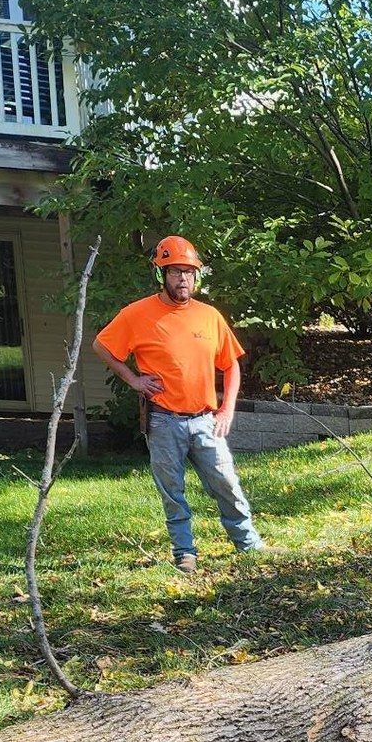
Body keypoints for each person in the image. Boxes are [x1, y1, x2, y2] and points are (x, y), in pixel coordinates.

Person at [94, 236, 264, 572]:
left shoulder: (209, 316)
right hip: (163, 420)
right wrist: (133, 379)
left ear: (196, 275)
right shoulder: (136, 314)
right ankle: (184, 552)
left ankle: (248, 543)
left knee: (226, 483)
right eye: (175, 272)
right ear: (162, 274)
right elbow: (102, 346)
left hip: (205, 420)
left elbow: (231, 365)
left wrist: (227, 409)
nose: (183, 278)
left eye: (188, 272)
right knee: (173, 490)